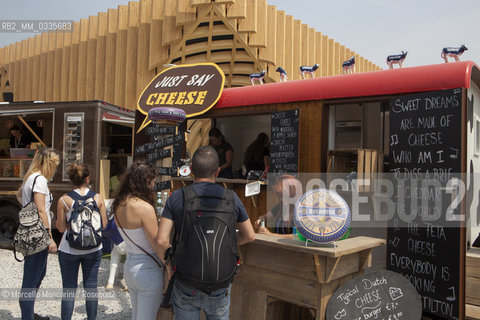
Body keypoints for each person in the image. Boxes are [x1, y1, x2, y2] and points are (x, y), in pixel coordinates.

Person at [156, 145, 255, 319]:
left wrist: (169, 266)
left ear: (192, 170)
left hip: (186, 280)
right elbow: (249, 235)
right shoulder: (232, 198)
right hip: (220, 284)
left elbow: (161, 240)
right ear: (217, 171)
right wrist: (227, 240)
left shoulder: (177, 197)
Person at [112, 161, 164, 320]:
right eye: (153, 182)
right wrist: (169, 266)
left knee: (136, 316)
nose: (153, 185)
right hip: (148, 268)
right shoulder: (144, 207)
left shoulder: (119, 204)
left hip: (130, 265)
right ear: (146, 181)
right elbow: (157, 243)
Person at [56, 163, 107, 320]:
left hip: (69, 249)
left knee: (69, 289)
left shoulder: (64, 200)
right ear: (88, 179)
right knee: (91, 288)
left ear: (71, 179)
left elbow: (60, 228)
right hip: (94, 249)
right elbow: (104, 224)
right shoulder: (98, 198)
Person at [16, 148, 60, 320]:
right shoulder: (40, 179)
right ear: (49, 163)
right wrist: (50, 237)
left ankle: (29, 314)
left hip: (29, 233)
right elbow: (41, 210)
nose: (56, 168)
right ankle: (27, 316)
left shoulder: (30, 177)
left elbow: (20, 195)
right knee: (32, 278)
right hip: (38, 235)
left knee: (35, 275)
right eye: (55, 164)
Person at [254, 175, 301, 239]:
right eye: (278, 195)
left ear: (292, 193)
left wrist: (271, 234)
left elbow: (299, 236)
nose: (280, 199)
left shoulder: (300, 210)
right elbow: (264, 217)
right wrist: (260, 220)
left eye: (282, 195)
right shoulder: (280, 206)